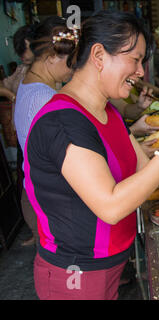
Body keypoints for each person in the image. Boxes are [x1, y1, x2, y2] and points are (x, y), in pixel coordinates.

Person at [24, 10, 159, 300]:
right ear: (99, 55)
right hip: (75, 274)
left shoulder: (107, 112)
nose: (141, 71)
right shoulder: (64, 122)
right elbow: (111, 207)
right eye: (136, 59)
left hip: (108, 265)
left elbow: (147, 171)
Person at [14, 16, 76, 247]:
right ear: (50, 58)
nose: (71, 69)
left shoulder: (30, 84)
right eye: (69, 61)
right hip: (52, 194)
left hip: (38, 186)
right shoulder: (44, 98)